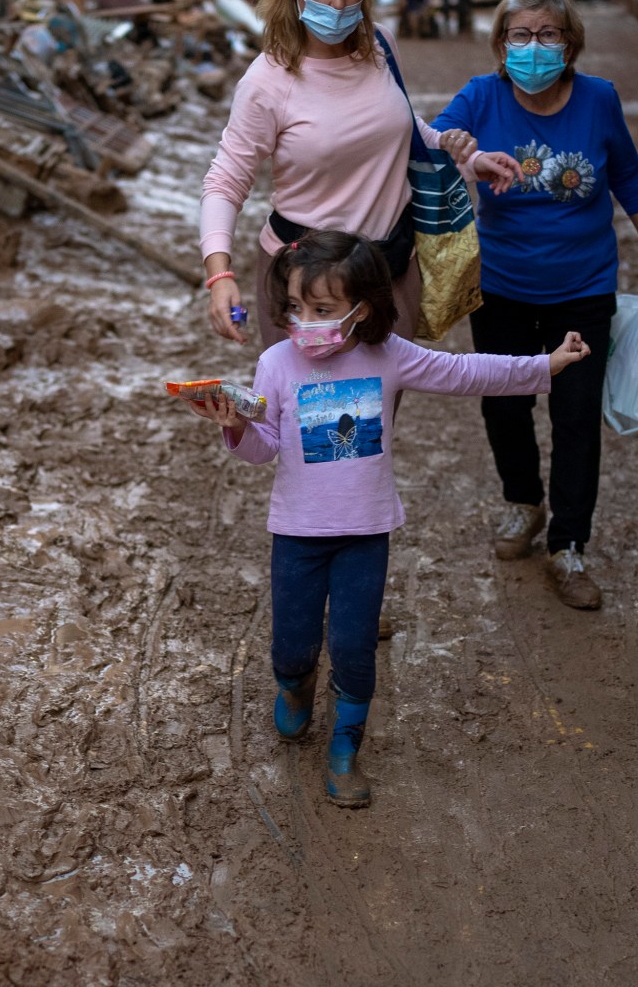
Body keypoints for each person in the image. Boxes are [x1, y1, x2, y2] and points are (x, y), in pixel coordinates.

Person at [184, 230, 588, 805]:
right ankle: (295, 687)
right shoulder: (275, 362)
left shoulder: (390, 355)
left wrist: (544, 365)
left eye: (322, 310)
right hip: (296, 535)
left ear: (363, 307)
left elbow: (466, 373)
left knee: (353, 647)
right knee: (291, 645)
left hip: (365, 534)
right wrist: (236, 425)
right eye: (295, 308)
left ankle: (345, 752)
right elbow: (265, 446)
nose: (304, 322)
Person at [432, 0, 638, 610]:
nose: (534, 47)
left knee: (576, 417)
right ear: (501, 44)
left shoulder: (598, 99)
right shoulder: (481, 95)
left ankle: (569, 545)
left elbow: (627, 173)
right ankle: (524, 501)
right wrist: (458, 148)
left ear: (570, 44)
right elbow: (429, 142)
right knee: (504, 407)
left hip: (583, 287)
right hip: (501, 287)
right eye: (520, 35)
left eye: (548, 34)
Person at [197, 0, 492, 351]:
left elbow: (403, 130)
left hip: (389, 273)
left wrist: (471, 159)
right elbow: (225, 180)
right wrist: (219, 275)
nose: (338, 2)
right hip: (304, 287)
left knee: (379, 418)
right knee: (308, 419)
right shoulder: (267, 80)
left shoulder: (381, 46)